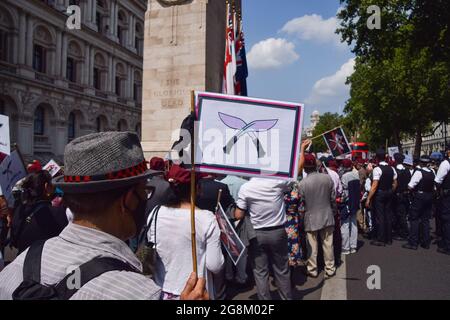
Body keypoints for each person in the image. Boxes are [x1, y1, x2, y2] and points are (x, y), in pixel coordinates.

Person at [0, 132, 209, 300]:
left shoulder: (19, 264)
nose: (146, 199)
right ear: (126, 201)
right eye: (144, 191)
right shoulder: (140, 293)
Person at [147, 164, 224, 300]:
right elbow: (215, 264)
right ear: (197, 188)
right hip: (196, 292)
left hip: (161, 289)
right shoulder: (207, 218)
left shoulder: (156, 212)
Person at [234, 177, 293, 300]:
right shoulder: (277, 182)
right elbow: (295, 171)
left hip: (256, 234)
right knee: (282, 270)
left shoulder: (246, 187)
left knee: (260, 273)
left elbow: (238, 215)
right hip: (277, 232)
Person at [10, 170, 68, 254]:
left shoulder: (19, 210)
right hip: (46, 263)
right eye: (52, 184)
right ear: (46, 187)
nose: (55, 187)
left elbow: (14, 241)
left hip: (21, 260)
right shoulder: (58, 213)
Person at [298, 154, 336, 278]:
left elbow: (301, 203)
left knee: (312, 247)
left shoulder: (302, 183)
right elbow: (333, 198)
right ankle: (330, 268)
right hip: (327, 214)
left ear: (305, 168)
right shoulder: (327, 178)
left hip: (311, 217)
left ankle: (312, 269)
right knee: (328, 244)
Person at [366, 149, 398, 246]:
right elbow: (395, 182)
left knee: (380, 216)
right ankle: (389, 238)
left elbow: (374, 185)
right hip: (389, 192)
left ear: (377, 158)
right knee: (388, 215)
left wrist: (368, 198)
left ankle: (381, 239)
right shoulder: (392, 168)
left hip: (380, 194)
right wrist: (391, 190)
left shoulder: (377, 169)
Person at [403, 156, 435, 250]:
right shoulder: (432, 172)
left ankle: (413, 242)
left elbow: (410, 186)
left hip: (419, 197)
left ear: (421, 163)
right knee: (425, 220)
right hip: (429, 196)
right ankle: (425, 242)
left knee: (414, 219)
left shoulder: (419, 172)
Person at [339, 159, 360, 255]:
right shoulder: (356, 174)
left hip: (347, 202)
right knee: (354, 224)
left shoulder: (344, 176)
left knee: (345, 225)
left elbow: (343, 191)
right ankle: (353, 246)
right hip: (355, 202)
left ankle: (346, 248)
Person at [392, 153, 412, 241]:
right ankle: (401, 230)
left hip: (397, 195)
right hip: (405, 194)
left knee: (399, 215)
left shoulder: (395, 170)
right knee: (403, 213)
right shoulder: (407, 171)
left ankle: (404, 233)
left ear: (396, 160)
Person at [435, 144, 450, 255]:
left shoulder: (446, 163)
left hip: (447, 195)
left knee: (446, 220)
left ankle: (447, 245)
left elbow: (438, 180)